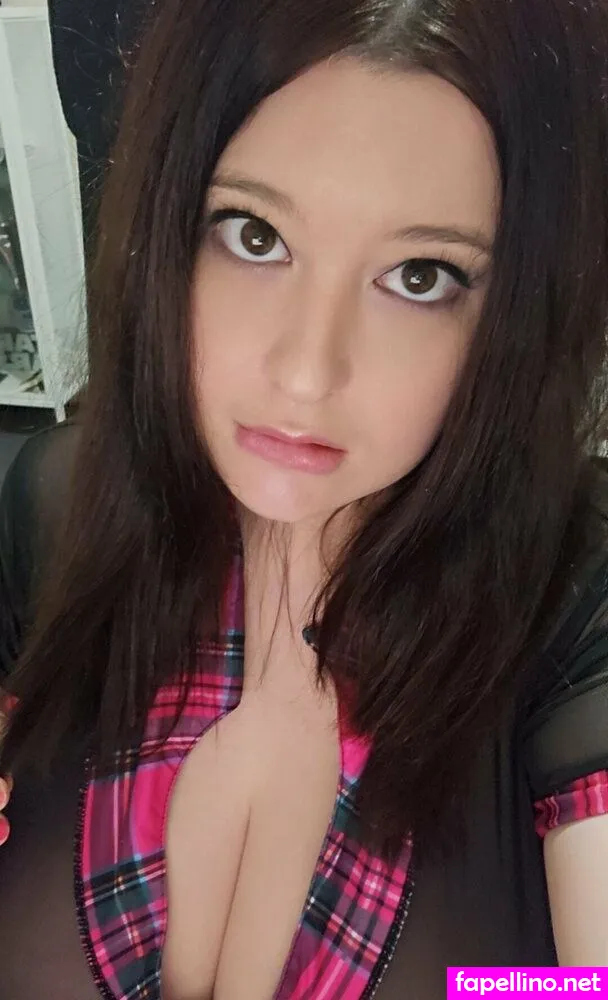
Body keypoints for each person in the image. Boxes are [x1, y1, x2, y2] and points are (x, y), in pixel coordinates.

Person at [1, 0, 608, 995]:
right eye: (254, 235)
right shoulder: (53, 518)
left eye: (420, 276)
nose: (305, 371)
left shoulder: (574, 600)